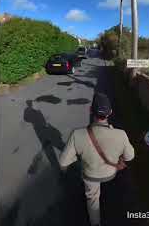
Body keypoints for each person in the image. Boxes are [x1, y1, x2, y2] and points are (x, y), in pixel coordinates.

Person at [58, 92, 135, 226]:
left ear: (90, 111)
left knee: (92, 197)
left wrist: (65, 168)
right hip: (111, 173)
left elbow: (63, 162)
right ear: (110, 112)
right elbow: (130, 156)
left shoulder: (77, 135)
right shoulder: (121, 134)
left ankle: (95, 223)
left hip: (90, 176)